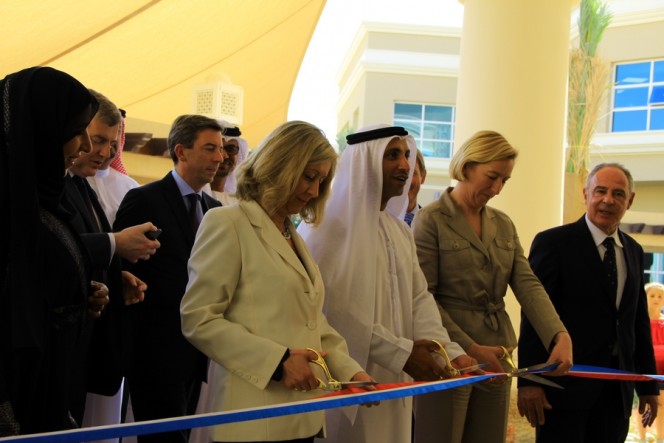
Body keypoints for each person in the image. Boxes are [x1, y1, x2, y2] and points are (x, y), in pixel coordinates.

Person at [180, 121, 373, 443]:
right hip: (253, 418)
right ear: (280, 165)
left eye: (321, 181)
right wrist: (278, 362)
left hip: (303, 416)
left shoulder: (291, 234)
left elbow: (312, 321)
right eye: (309, 177)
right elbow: (198, 318)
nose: (313, 191)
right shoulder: (228, 222)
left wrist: (350, 372)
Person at [299, 125, 477, 443]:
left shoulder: (397, 230)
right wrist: (402, 354)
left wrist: (448, 352)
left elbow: (418, 299)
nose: (404, 165)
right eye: (392, 155)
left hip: (397, 376)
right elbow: (335, 312)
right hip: (351, 374)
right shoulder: (328, 228)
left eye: (407, 155)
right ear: (365, 162)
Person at [412, 130, 573, 443]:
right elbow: (424, 297)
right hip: (448, 355)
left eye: (505, 180)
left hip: (498, 353)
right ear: (468, 166)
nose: (497, 188)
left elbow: (528, 284)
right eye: (492, 176)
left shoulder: (503, 223)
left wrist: (559, 334)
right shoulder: (431, 220)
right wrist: (469, 348)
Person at [517, 162, 658, 443]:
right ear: (586, 194)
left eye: (618, 194)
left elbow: (637, 321)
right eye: (601, 191)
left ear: (629, 201)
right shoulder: (553, 243)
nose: (608, 200)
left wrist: (648, 385)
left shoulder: (633, 250)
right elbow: (534, 313)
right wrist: (530, 380)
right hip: (562, 389)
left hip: (616, 392)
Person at [0, 66, 106, 435]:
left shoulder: (42, 199)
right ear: (42, 128)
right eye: (76, 131)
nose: (87, 147)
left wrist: (80, 297)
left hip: (50, 386)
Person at [114, 114, 225, 443]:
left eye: (220, 149)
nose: (219, 157)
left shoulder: (216, 209)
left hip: (197, 353)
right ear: (182, 150)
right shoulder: (144, 199)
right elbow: (121, 267)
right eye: (209, 148)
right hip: (153, 352)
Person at [87, 108, 140, 225]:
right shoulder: (75, 180)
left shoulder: (131, 187)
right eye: (99, 139)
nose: (115, 139)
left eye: (119, 131)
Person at [634, 282, 664, 443]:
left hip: (662, 371)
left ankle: (660, 437)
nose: (656, 299)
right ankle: (642, 437)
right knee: (643, 404)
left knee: (661, 405)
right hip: (646, 370)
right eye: (652, 296)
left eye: (660, 296)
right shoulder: (640, 323)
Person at [209, 125, 249, 206]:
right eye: (216, 149)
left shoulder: (241, 200)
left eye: (231, 149)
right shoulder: (196, 197)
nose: (224, 156)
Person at [404, 148, 427, 227]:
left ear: (423, 176)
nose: (404, 180)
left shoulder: (433, 223)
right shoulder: (374, 221)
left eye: (411, 173)